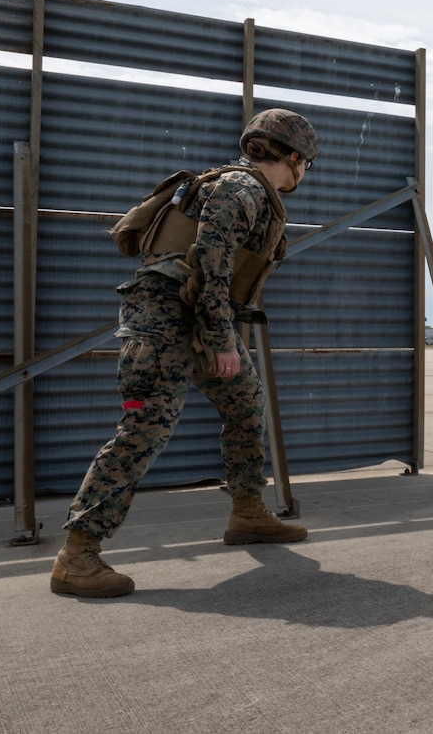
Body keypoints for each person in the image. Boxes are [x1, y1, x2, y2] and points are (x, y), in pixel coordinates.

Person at [49, 109, 319, 599]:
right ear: (296, 158)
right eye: (307, 165)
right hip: (168, 322)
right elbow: (212, 266)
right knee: (143, 431)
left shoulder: (243, 188)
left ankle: (248, 513)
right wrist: (220, 340)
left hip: (194, 315)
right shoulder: (244, 189)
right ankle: (77, 555)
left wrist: (218, 333)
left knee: (246, 408)